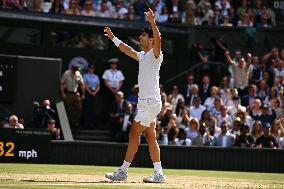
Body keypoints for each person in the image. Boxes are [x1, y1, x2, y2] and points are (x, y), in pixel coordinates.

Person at [104, 8, 166, 183]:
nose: (140, 38)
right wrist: (113, 37)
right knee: (151, 137)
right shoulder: (142, 56)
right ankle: (159, 173)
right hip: (147, 103)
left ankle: (123, 171)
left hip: (150, 102)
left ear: (151, 39)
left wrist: (152, 22)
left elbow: (159, 40)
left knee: (133, 133)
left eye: (143, 36)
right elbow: (126, 49)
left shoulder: (156, 55)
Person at [60, 63, 85, 129]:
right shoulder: (66, 73)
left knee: (79, 108)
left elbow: (82, 84)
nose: (76, 71)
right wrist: (63, 94)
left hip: (76, 93)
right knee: (68, 109)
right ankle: (66, 124)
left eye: (77, 70)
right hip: (68, 93)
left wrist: (82, 94)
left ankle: (74, 122)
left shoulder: (78, 74)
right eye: (75, 69)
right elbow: (62, 84)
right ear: (72, 68)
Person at [83, 64, 100, 129]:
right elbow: (85, 85)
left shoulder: (96, 76)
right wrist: (90, 92)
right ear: (88, 69)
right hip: (88, 92)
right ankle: (86, 124)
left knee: (94, 109)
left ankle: (92, 124)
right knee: (88, 109)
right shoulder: (85, 75)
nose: (91, 69)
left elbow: (98, 86)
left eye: (92, 68)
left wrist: (94, 92)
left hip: (95, 93)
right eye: (90, 68)